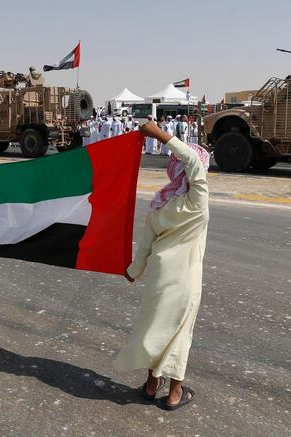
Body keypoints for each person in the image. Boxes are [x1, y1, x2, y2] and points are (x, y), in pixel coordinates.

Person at [114, 121, 210, 411]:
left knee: (156, 328)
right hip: (184, 280)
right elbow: (192, 160)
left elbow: (144, 247)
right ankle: (175, 394)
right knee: (179, 333)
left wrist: (133, 272)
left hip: (157, 277)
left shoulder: (158, 205)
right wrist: (159, 134)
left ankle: (151, 386)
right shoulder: (197, 201)